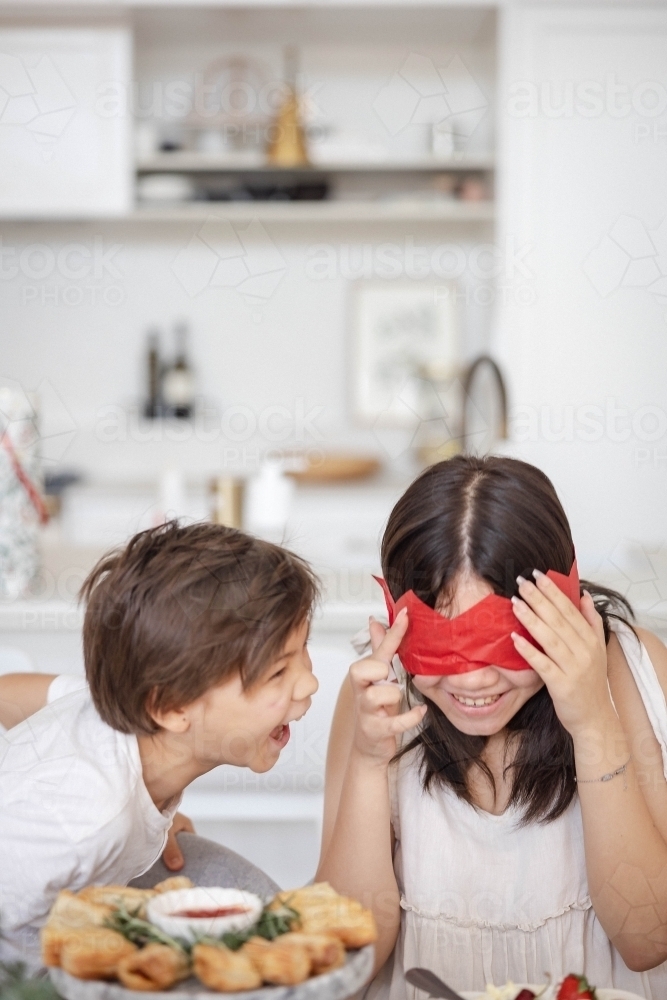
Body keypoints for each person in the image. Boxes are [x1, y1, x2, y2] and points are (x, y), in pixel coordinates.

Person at [318, 455, 667, 999]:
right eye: (439, 646)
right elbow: (345, 964)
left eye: (499, 642)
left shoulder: (632, 672)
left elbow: (648, 938)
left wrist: (594, 721)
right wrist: (367, 764)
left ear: (563, 606)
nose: (475, 680)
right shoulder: (378, 700)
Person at [0, 521, 319, 967]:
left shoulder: (101, 709)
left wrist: (147, 814)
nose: (309, 683)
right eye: (277, 673)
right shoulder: (84, 824)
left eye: (304, 649)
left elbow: (8, 691)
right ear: (170, 707)